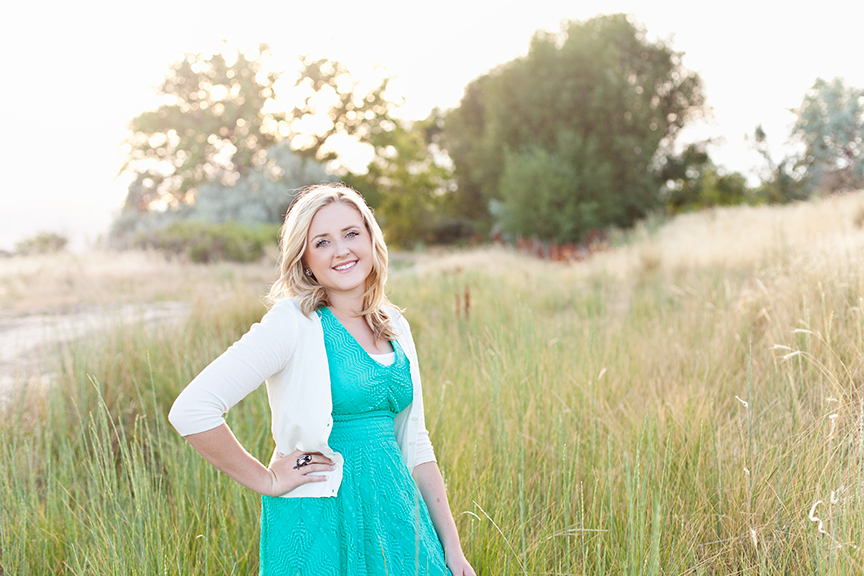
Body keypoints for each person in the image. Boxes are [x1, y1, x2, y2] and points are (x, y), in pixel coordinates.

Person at [168, 183, 475, 576]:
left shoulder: (395, 324)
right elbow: (193, 410)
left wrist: (452, 548)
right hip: (319, 523)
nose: (341, 250)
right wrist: (266, 479)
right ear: (306, 259)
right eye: (323, 242)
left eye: (351, 233)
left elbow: (416, 444)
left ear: (371, 239)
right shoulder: (293, 323)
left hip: (396, 516)